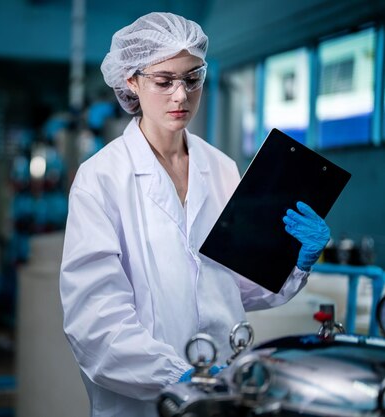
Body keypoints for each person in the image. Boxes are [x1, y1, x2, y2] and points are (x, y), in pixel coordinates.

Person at [59, 12, 330, 417]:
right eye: (164, 81)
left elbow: (235, 286)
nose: (181, 96)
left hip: (224, 393)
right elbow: (95, 323)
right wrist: (181, 376)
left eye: (192, 78)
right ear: (131, 80)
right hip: (145, 402)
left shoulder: (220, 167)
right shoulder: (101, 178)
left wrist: (293, 260)